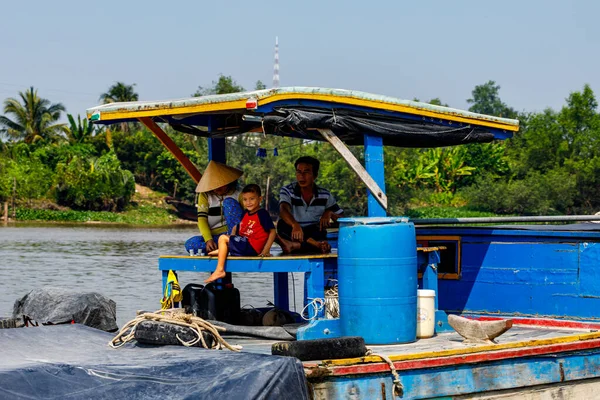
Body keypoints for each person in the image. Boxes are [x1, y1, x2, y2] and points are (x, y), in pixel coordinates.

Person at [205, 184, 276, 283]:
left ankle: (220, 270)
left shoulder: (262, 213)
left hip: (252, 247)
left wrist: (266, 250)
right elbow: (237, 227)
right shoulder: (245, 214)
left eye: (252, 199)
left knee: (222, 238)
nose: (248, 202)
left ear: (260, 199)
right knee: (231, 233)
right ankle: (223, 250)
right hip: (245, 244)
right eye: (245, 199)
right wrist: (233, 234)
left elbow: (272, 231)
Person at [277, 156, 344, 254]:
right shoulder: (287, 190)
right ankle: (316, 245)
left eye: (306, 172)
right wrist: (295, 225)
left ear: (315, 175)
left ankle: (296, 246)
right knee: (282, 225)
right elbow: (283, 210)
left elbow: (342, 220)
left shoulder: (325, 195)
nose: (301, 176)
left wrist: (329, 213)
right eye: (299, 172)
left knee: (319, 231)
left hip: (312, 233)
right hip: (293, 232)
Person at [184, 161, 244, 255]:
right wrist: (208, 240)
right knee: (190, 244)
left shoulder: (238, 194)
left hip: (232, 236)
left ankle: (232, 245)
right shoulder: (205, 195)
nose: (217, 188)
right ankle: (220, 249)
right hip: (215, 237)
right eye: (214, 185)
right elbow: (202, 220)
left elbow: (252, 215)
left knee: (229, 202)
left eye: (221, 185)